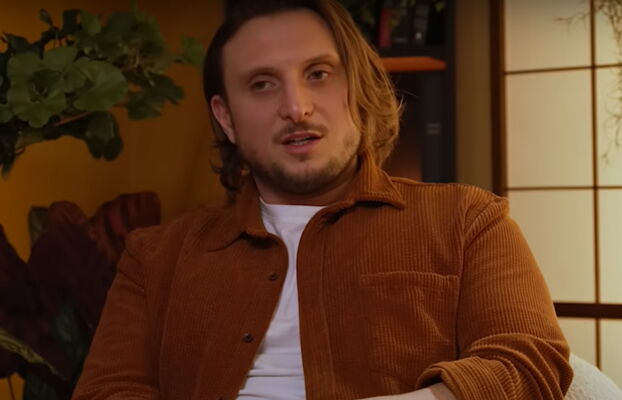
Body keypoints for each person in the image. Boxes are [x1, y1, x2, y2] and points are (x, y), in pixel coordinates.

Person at [73, 0, 573, 399]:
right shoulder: (155, 256)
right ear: (225, 117)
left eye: (318, 74)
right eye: (262, 84)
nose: (297, 107)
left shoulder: (467, 219)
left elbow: (529, 363)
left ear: (356, 86)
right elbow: (107, 390)